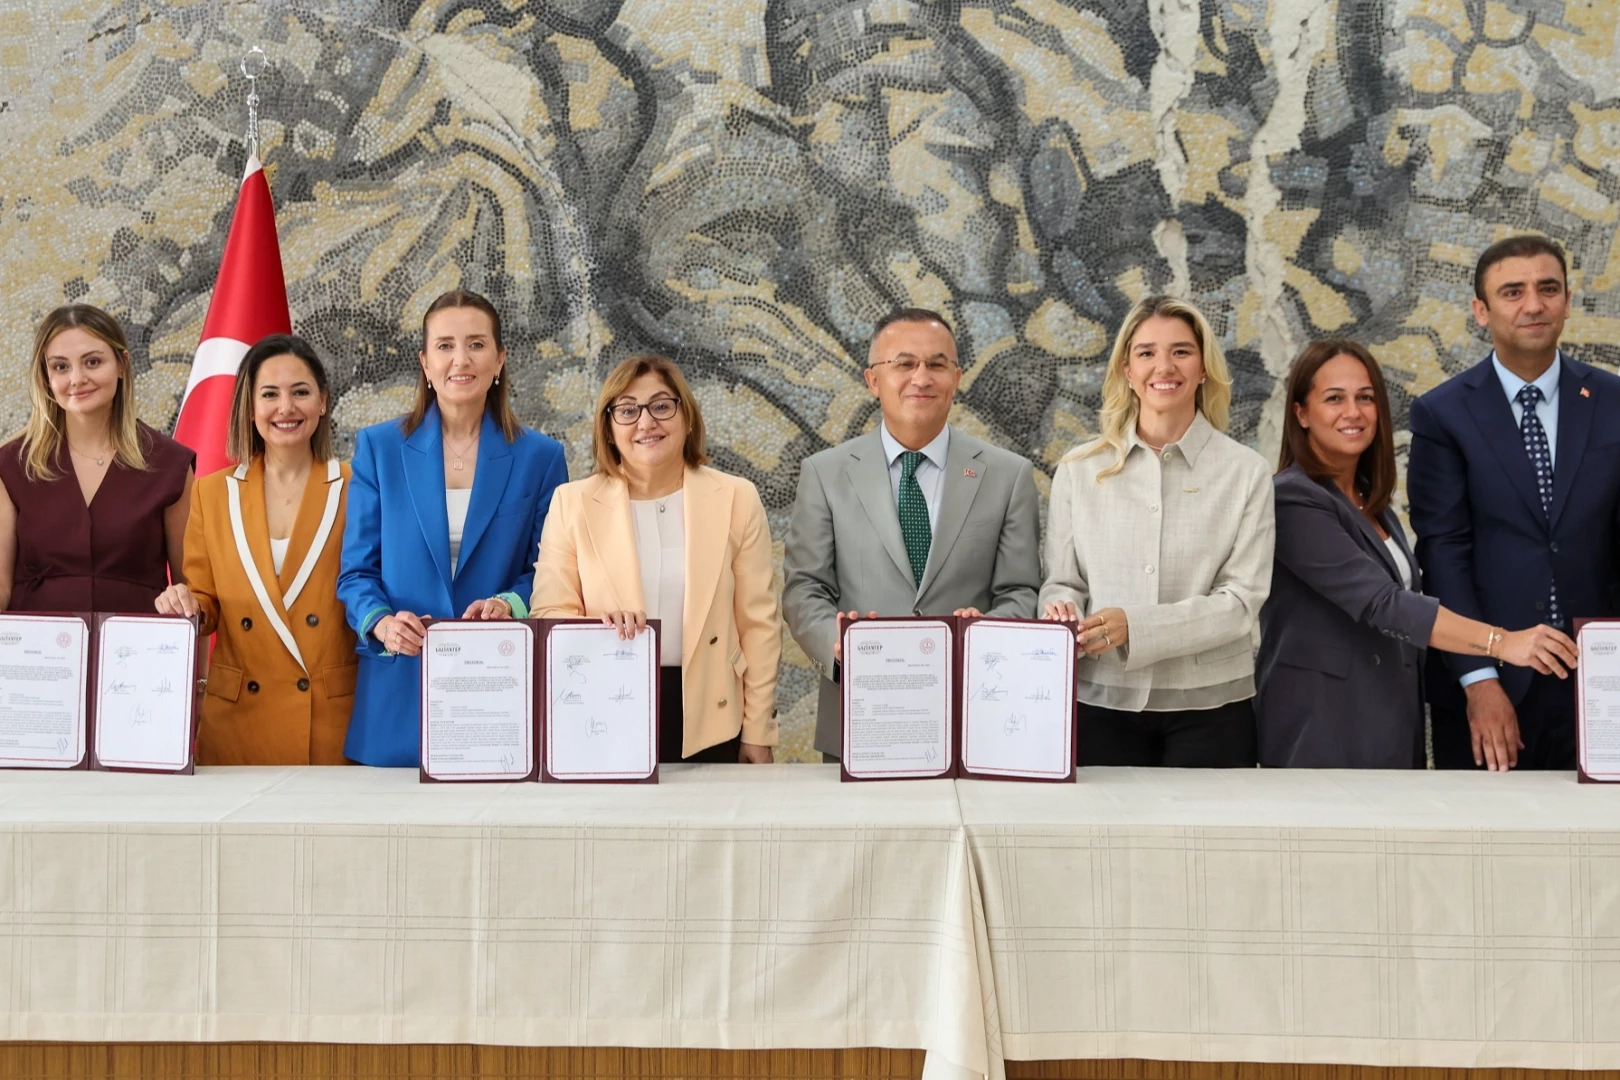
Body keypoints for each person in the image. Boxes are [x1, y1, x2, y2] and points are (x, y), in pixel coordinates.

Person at [1257, 340, 1578, 768]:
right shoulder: (1291, 499)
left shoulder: (1371, 502)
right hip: (1321, 725)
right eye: (1334, 399)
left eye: (1365, 397)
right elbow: (1383, 603)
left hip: (1390, 720)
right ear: (1301, 413)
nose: (1353, 412)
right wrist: (1501, 643)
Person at [783, 307, 1042, 761]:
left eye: (937, 364)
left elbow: (1021, 591)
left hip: (973, 715)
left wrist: (986, 634)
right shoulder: (825, 473)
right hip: (860, 715)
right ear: (873, 380)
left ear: (956, 378)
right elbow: (804, 588)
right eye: (904, 363)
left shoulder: (1009, 475)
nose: (921, 378)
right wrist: (838, 645)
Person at [1408, 235, 1620, 771]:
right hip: (1492, 686)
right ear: (1481, 310)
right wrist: (1478, 680)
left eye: (1548, 289)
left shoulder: (1614, 401)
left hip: (1601, 681)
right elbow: (1443, 553)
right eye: (1512, 292)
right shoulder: (1442, 415)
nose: (1533, 305)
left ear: (1567, 302)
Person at [337, 290, 568, 767]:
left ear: (499, 359)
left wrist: (510, 603)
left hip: (498, 695)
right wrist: (382, 623)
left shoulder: (542, 457)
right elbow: (357, 572)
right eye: (445, 346)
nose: (460, 359)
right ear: (425, 362)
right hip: (398, 692)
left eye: (476, 344)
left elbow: (552, 570)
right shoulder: (379, 449)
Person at [1040, 295, 1272, 767]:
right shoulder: (1078, 470)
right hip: (1099, 699)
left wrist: (1136, 627)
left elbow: (1240, 603)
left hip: (1212, 707)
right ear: (1127, 369)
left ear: (1203, 368)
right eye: (1146, 352)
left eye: (1181, 351)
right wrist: (1061, 611)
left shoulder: (1247, 472)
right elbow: (1063, 581)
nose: (1164, 366)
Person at [531, 355, 780, 763]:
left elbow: (759, 626)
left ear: (687, 417)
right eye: (628, 410)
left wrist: (758, 731)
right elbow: (549, 614)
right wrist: (598, 628)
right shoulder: (572, 503)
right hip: (607, 710)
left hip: (715, 715)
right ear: (609, 428)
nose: (646, 422)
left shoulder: (737, 497)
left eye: (662, 406)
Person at [153, 335, 359, 765]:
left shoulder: (355, 487)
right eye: (269, 394)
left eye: (300, 392)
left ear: (323, 401)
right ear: (248, 407)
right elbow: (205, 600)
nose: (286, 408)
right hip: (239, 723)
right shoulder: (212, 493)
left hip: (329, 721)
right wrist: (185, 603)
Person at [0, 304, 193, 613]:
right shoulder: (11, 465)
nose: (77, 379)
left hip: (136, 642)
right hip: (35, 644)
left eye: (92, 362)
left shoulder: (171, 465)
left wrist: (184, 603)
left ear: (122, 364)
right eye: (60, 367)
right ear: (46, 376)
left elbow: (194, 595)